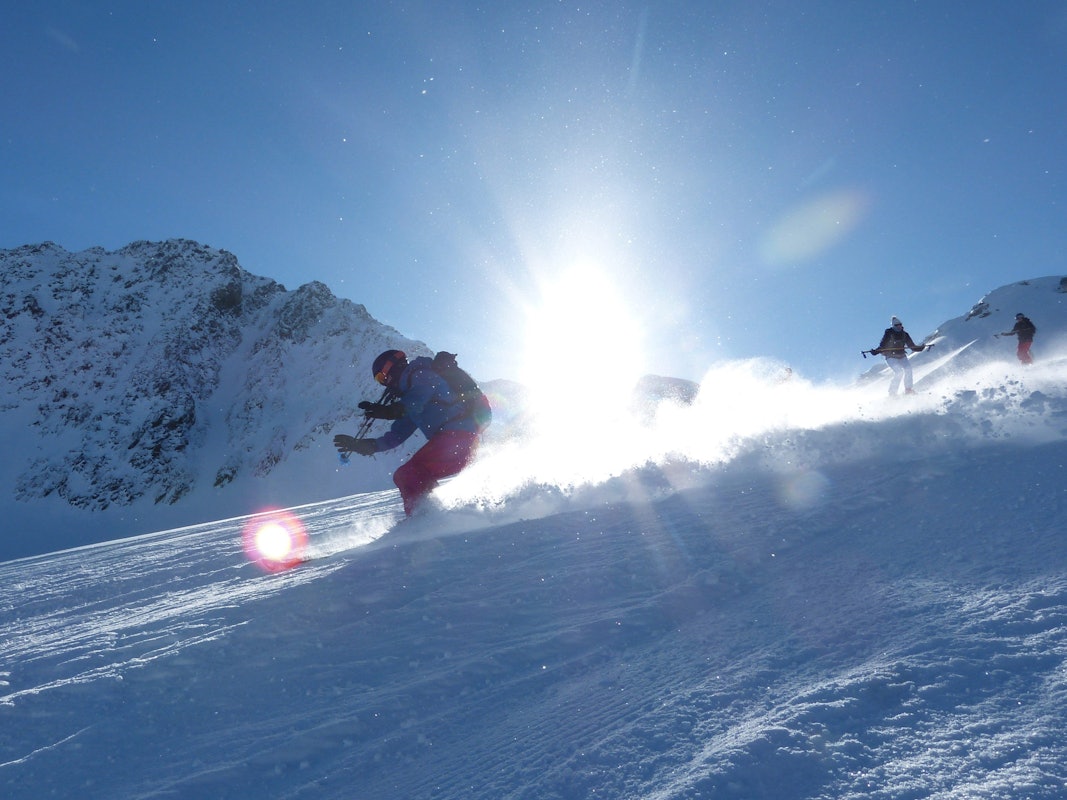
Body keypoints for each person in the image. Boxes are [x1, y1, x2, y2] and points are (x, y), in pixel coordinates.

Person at [333, 349, 487, 515]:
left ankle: (424, 519)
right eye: (379, 380)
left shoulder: (421, 374)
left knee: (408, 474)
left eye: (382, 377)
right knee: (415, 474)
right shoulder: (411, 395)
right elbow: (396, 436)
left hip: (459, 437)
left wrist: (387, 411)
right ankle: (437, 515)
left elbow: (414, 402)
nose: (384, 383)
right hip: (457, 443)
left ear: (392, 367)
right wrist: (366, 446)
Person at [870, 316, 926, 396]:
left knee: (908, 369)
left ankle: (908, 389)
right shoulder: (889, 333)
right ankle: (892, 393)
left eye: (900, 324)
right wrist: (876, 351)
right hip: (891, 356)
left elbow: (912, 346)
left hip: (902, 356)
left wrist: (920, 348)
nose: (899, 326)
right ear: (893, 326)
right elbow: (882, 344)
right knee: (899, 372)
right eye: (896, 325)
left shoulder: (905, 334)